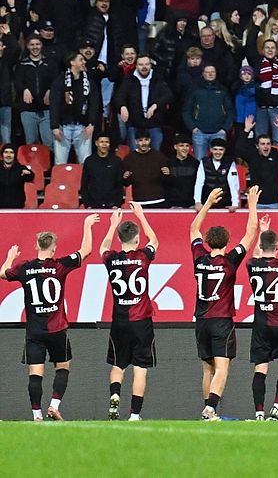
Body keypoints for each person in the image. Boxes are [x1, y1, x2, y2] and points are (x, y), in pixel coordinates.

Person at [0, 213, 99, 421]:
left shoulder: (24, 268)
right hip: (57, 329)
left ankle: (36, 415)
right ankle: (54, 405)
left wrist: (10, 256)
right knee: (63, 367)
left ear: (37, 246)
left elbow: (3, 273)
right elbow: (86, 251)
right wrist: (87, 225)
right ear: (53, 248)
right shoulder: (59, 265)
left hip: (35, 331)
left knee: (35, 373)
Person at [189, 185, 262, 421]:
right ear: (227, 242)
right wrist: (251, 204)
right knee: (222, 367)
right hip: (221, 319)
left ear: (208, 241)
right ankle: (210, 408)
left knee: (207, 368)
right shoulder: (230, 261)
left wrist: (208, 203)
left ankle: (208, 411)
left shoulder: (199, 257)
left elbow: (193, 228)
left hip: (201, 320)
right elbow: (251, 233)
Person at [99, 203, 158, 421]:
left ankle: (115, 394)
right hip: (141, 321)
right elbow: (155, 241)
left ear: (119, 238)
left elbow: (102, 248)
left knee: (118, 364)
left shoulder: (111, 259)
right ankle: (134, 414)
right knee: (140, 368)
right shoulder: (143, 257)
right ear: (136, 238)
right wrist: (141, 215)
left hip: (120, 321)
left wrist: (112, 224)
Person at [246, 216, 278, 421]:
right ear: (277, 247)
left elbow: (257, 254)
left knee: (261, 367)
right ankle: (276, 409)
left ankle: (259, 413)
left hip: (261, 324)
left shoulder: (252, 264)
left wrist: (262, 232)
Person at [49, 51, 100, 165]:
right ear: (72, 62)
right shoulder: (60, 80)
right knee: (60, 164)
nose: (84, 62)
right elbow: (54, 104)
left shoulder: (89, 81)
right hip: (63, 127)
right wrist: (54, 126)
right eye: (81, 60)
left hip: (83, 127)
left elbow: (94, 103)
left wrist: (91, 123)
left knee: (86, 164)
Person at [116, 55, 172, 150]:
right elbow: (119, 96)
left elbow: (168, 95)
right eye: (141, 64)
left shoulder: (157, 78)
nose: (144, 67)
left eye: (147, 64)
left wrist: (155, 105)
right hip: (134, 124)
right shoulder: (129, 79)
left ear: (150, 65)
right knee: (135, 154)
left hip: (154, 124)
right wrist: (122, 106)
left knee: (156, 154)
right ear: (136, 66)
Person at [236, 115, 278, 209]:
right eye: (262, 144)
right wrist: (246, 130)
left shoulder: (276, 157)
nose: (266, 146)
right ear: (257, 146)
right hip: (256, 202)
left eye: (268, 144)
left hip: (274, 202)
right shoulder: (252, 157)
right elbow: (239, 149)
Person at [182, 64, 233, 159]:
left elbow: (230, 111)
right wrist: (193, 127)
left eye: (212, 72)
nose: (210, 74)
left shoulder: (223, 90)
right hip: (199, 132)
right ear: (203, 74)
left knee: (220, 162)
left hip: (219, 132)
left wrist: (224, 129)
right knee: (199, 162)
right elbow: (186, 110)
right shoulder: (195, 89)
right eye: (207, 72)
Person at [122, 129, 169, 206]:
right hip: (139, 202)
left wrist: (167, 174)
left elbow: (166, 181)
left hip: (159, 201)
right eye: (140, 140)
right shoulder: (129, 158)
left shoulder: (159, 157)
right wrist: (125, 177)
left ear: (150, 140)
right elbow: (126, 183)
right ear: (135, 141)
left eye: (146, 140)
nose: (143, 143)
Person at [193, 138, 240, 210]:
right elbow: (199, 183)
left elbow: (233, 184)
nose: (218, 152)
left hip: (225, 204)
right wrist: (198, 202)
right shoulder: (204, 162)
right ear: (211, 150)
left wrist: (234, 203)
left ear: (224, 150)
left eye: (221, 149)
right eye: (215, 149)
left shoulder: (230, 163)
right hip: (207, 203)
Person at [164, 134, 200, 209]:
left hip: (191, 204)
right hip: (173, 205)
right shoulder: (168, 163)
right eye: (181, 145)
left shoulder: (195, 163)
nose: (185, 148)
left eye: (187, 146)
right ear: (175, 147)